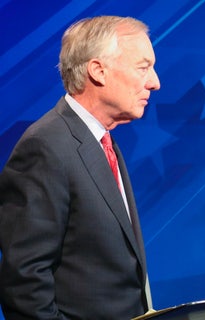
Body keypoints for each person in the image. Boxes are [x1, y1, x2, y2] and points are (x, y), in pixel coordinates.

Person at [0, 16, 160, 319]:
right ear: (98, 71)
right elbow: (24, 284)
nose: (155, 81)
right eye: (143, 67)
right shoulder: (46, 147)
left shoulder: (102, 140)